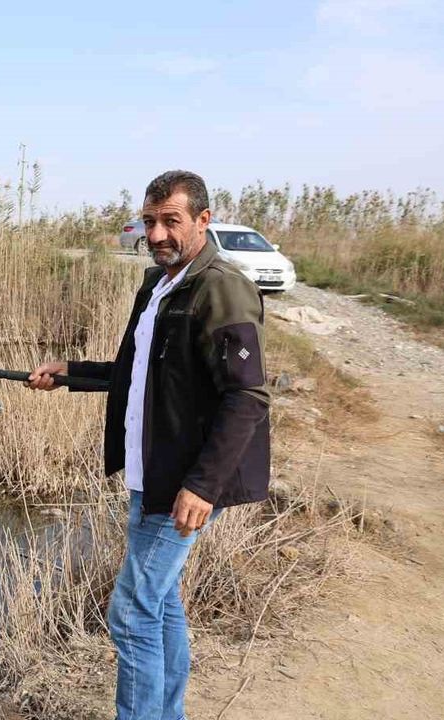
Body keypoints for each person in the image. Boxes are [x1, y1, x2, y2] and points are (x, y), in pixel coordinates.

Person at [28, 170, 271, 720]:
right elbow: (137, 371)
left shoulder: (222, 288)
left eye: (171, 221)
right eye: (149, 221)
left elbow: (247, 397)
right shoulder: (158, 283)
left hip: (184, 481)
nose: (157, 234)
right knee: (159, 602)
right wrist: (69, 373)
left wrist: (202, 486)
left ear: (203, 220)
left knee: (132, 611)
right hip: (150, 471)